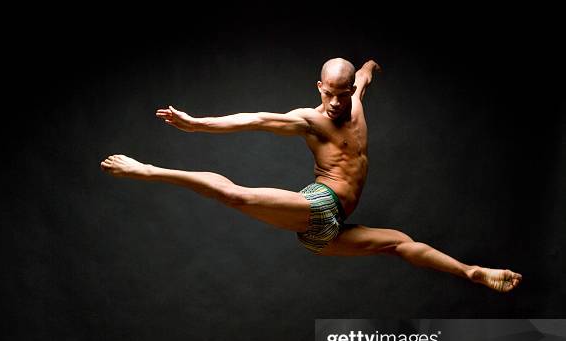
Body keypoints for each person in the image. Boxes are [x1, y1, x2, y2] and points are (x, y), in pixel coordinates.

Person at [101, 58, 522, 292]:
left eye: (343, 94)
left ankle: (471, 272)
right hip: (321, 205)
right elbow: (255, 120)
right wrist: (198, 124)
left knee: (399, 245)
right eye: (329, 94)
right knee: (237, 196)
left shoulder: (354, 99)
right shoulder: (309, 120)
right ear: (317, 87)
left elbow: (362, 78)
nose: (337, 103)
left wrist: (371, 67)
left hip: (330, 234)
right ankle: (149, 169)